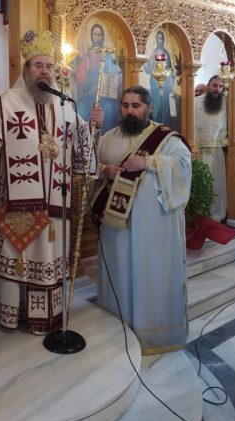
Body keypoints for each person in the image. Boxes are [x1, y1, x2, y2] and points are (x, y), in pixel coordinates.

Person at [0, 29, 103, 334]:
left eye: (49, 66)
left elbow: (81, 145)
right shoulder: (6, 102)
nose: (45, 71)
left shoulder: (65, 104)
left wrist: (93, 127)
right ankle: (12, 311)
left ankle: (45, 315)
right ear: (26, 69)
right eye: (38, 65)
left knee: (47, 255)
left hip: (54, 200)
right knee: (18, 254)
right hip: (18, 202)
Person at [93, 86, 191, 354]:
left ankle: (154, 333)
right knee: (120, 272)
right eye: (125, 105)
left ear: (149, 108)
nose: (129, 111)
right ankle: (118, 329)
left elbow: (184, 164)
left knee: (150, 273)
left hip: (154, 229)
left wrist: (147, 163)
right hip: (117, 228)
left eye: (135, 106)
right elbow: (92, 166)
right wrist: (106, 171)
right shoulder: (109, 138)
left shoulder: (166, 138)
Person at [72, 23, 123, 134]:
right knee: (80, 110)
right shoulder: (87, 56)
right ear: (91, 36)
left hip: (105, 96)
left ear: (103, 37)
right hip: (89, 96)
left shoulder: (108, 56)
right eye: (95, 35)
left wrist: (113, 75)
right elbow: (79, 78)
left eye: (100, 35)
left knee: (110, 109)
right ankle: (85, 139)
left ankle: (106, 139)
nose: (97, 38)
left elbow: (115, 73)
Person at [194, 75, 228, 221]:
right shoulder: (195, 102)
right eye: (214, 85)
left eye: (221, 86)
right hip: (198, 151)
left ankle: (215, 215)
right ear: (208, 86)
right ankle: (198, 214)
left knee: (216, 184)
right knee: (200, 183)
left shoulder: (227, 103)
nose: (218, 89)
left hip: (217, 150)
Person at [143, 29, 175, 127]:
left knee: (164, 106)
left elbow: (170, 71)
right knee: (156, 105)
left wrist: (171, 85)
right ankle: (155, 125)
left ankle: (164, 124)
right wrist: (144, 61)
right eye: (158, 38)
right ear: (156, 40)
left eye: (161, 38)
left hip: (165, 84)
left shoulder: (166, 53)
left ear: (163, 40)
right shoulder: (153, 53)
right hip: (155, 83)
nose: (159, 40)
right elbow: (148, 70)